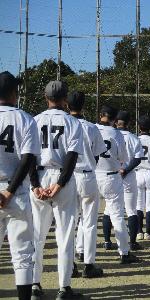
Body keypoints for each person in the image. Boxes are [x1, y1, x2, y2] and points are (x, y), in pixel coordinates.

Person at [30, 80, 85, 299]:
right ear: (64, 99)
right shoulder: (72, 122)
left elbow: (29, 157)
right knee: (64, 235)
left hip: (40, 175)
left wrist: (35, 185)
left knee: (37, 235)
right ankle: (64, 288)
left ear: (46, 97)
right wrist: (60, 184)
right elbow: (71, 157)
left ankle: (34, 284)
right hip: (63, 177)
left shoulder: (33, 121)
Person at [0, 71, 40, 300]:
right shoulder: (24, 118)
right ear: (15, 92)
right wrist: (9, 191)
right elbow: (27, 160)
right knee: (23, 253)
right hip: (17, 192)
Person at [67, 91, 106, 278]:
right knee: (89, 223)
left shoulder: (64, 124)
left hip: (67, 177)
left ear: (67, 105)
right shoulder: (92, 127)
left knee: (69, 223)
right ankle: (89, 265)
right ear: (83, 106)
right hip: (88, 175)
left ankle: (70, 265)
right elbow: (97, 155)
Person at [95, 105, 138, 264]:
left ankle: (82, 252)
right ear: (114, 120)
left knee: (87, 217)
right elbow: (122, 158)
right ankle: (124, 253)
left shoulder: (91, 129)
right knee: (117, 215)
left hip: (92, 175)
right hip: (111, 176)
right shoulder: (117, 133)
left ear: (100, 115)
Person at [115, 111, 143, 250]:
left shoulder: (111, 135)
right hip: (129, 175)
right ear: (129, 123)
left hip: (112, 175)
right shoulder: (133, 138)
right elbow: (137, 159)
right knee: (131, 210)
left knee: (110, 210)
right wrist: (125, 170)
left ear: (116, 122)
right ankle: (132, 242)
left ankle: (108, 241)